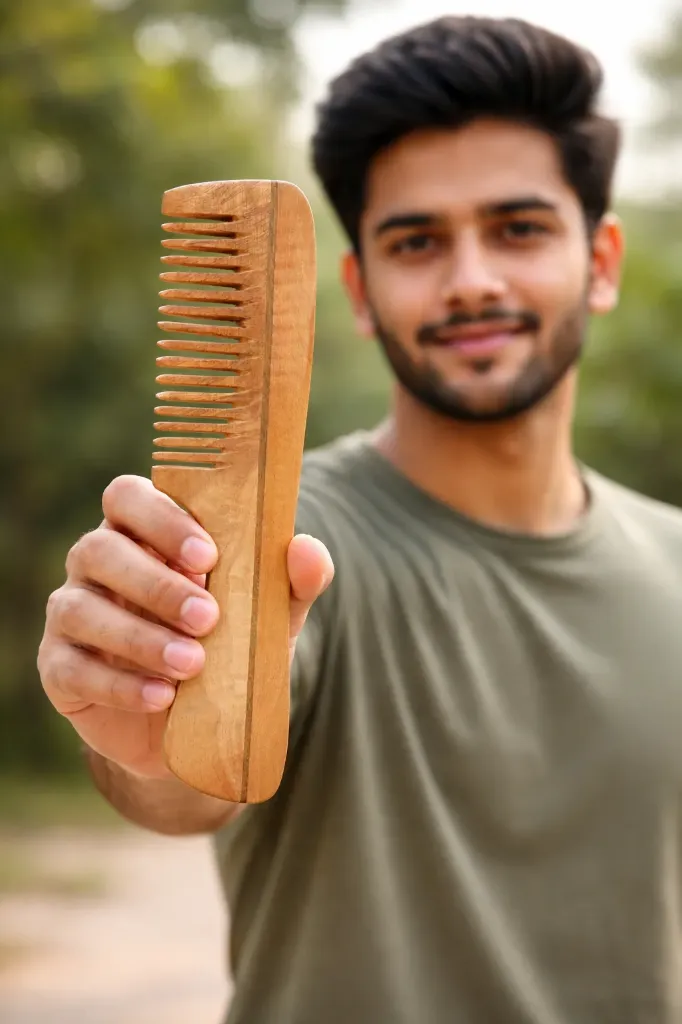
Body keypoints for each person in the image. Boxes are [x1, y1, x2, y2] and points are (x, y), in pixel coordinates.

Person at [37, 15, 682, 1024]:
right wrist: (142, 742)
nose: (470, 277)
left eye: (517, 228)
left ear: (600, 260)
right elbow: (180, 785)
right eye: (417, 240)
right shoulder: (279, 545)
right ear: (359, 290)